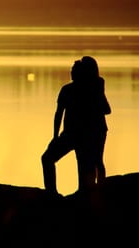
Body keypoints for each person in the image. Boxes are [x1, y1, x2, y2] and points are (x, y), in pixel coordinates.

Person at [41, 56, 111, 197]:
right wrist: (55, 136)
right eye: (71, 70)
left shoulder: (92, 89)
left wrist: (98, 92)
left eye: (74, 71)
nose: (71, 73)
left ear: (82, 73)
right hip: (69, 134)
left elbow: (106, 110)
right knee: (47, 158)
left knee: (89, 166)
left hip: (87, 135)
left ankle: (92, 194)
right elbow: (58, 114)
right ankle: (52, 193)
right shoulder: (67, 90)